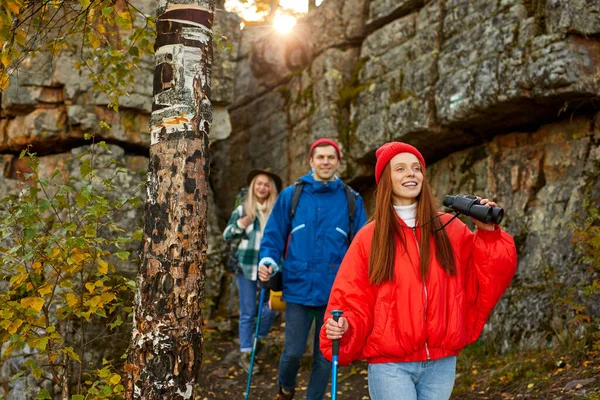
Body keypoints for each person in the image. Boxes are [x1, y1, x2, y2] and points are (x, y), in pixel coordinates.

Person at [320, 142, 518, 400]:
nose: (410, 174)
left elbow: (490, 275)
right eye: (400, 169)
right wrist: (344, 325)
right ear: (386, 180)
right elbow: (353, 298)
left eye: (416, 168)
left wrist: (488, 234)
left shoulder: (450, 228)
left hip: (441, 362)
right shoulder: (369, 237)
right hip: (389, 364)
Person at [258, 138, 368, 400]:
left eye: (331, 157)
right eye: (320, 157)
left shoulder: (352, 199)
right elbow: (273, 236)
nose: (326, 162)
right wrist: (268, 262)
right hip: (297, 288)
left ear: (338, 162)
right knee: (293, 351)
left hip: (336, 294)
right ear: (311, 161)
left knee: (326, 354)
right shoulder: (291, 195)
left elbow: (362, 245)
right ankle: (285, 388)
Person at [223, 168, 283, 374]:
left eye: (266, 184)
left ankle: (258, 342)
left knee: (269, 308)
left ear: (271, 188)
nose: (262, 187)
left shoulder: (277, 210)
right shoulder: (243, 209)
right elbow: (227, 235)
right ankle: (246, 354)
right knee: (247, 311)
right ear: (253, 186)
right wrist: (241, 224)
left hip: (270, 267)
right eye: (259, 183)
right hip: (247, 266)